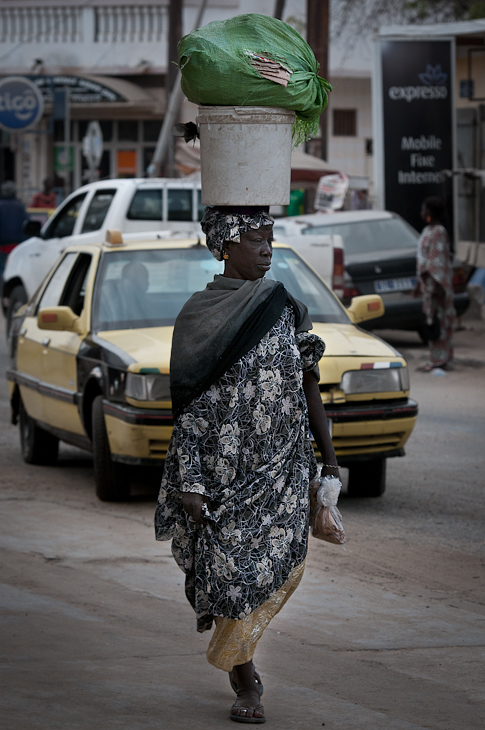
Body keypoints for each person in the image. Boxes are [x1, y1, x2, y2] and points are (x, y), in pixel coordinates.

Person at [155, 206, 339, 723]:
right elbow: (189, 406)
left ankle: (243, 668)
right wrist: (191, 480)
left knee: (271, 569)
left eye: (270, 238)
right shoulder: (199, 316)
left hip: (282, 468)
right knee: (231, 578)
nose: (266, 249)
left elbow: (309, 388)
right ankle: (245, 681)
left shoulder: (283, 306)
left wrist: (329, 464)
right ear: (226, 247)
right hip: (223, 474)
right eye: (256, 240)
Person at [414, 196, 456, 371]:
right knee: (432, 324)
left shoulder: (439, 231)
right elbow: (422, 259)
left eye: (424, 209)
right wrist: (419, 284)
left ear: (430, 212)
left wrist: (435, 287)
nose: (422, 213)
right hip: (428, 285)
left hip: (436, 287)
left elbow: (436, 261)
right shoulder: (427, 230)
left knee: (440, 324)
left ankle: (442, 360)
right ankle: (435, 358)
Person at [0, 181, 29, 275]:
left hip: (2, 245)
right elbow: (27, 223)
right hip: (17, 244)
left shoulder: (1, 205)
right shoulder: (20, 206)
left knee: (2, 270)